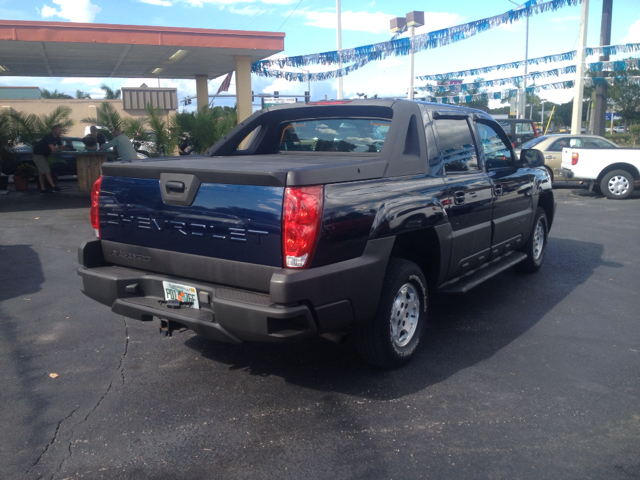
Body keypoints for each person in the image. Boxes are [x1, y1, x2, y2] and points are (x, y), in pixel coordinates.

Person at [32, 124, 66, 194]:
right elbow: (53, 149)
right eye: (58, 130)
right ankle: (53, 187)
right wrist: (59, 149)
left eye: (60, 130)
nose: (60, 132)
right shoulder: (49, 137)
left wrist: (66, 148)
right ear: (54, 130)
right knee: (47, 171)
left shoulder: (57, 138)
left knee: (41, 172)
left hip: (44, 155)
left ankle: (43, 189)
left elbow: (61, 146)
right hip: (38, 155)